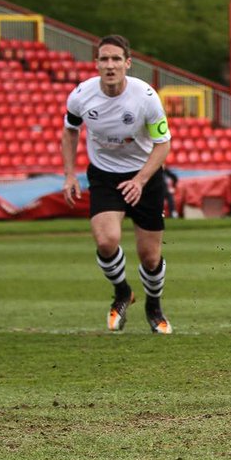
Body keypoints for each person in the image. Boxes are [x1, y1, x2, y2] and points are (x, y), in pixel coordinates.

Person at [62, 35, 174, 334]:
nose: (109, 65)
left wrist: (139, 180)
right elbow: (70, 131)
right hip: (104, 176)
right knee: (106, 241)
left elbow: (163, 144)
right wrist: (70, 173)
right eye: (104, 59)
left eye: (115, 59)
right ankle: (122, 292)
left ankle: (154, 306)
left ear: (127, 63)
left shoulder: (146, 97)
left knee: (150, 257)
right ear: (96, 63)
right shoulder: (81, 96)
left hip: (145, 176)